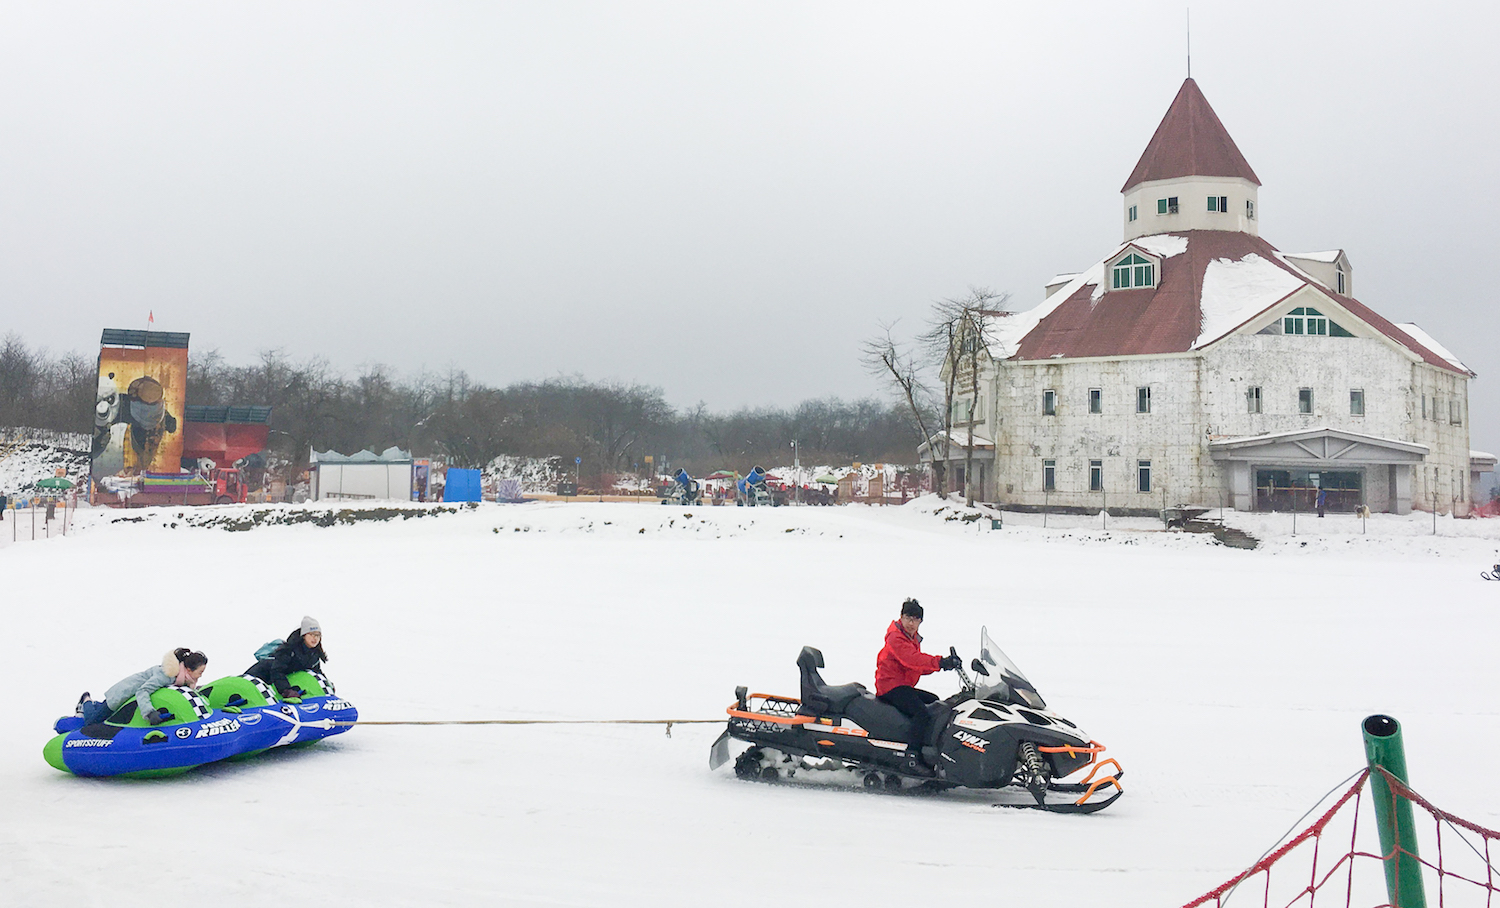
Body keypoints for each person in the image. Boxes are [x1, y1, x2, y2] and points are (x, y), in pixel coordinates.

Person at [875, 598, 959, 776]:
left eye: (915, 619)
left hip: (902, 684)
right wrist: (939, 662)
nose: (911, 623)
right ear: (901, 617)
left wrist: (943, 666)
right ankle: (911, 757)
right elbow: (911, 659)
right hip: (890, 686)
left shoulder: (911, 638)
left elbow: (915, 666)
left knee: (935, 702)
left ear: (921, 622)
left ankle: (929, 750)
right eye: (908, 618)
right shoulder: (896, 637)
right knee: (922, 713)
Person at [75, 648, 209, 726]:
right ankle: (86, 701)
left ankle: (96, 706)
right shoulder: (166, 675)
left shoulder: (183, 678)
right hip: (121, 696)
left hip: (131, 703)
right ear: (189, 670)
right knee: (92, 723)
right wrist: (149, 712)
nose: (200, 676)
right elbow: (142, 691)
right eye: (200, 672)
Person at [245, 616, 328, 698]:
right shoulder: (289, 650)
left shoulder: (314, 654)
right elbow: (277, 671)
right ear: (304, 635)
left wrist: (327, 685)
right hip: (260, 676)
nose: (315, 638)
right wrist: (286, 690)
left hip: (276, 684)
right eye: (312, 634)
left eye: (318, 635)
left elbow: (316, 672)